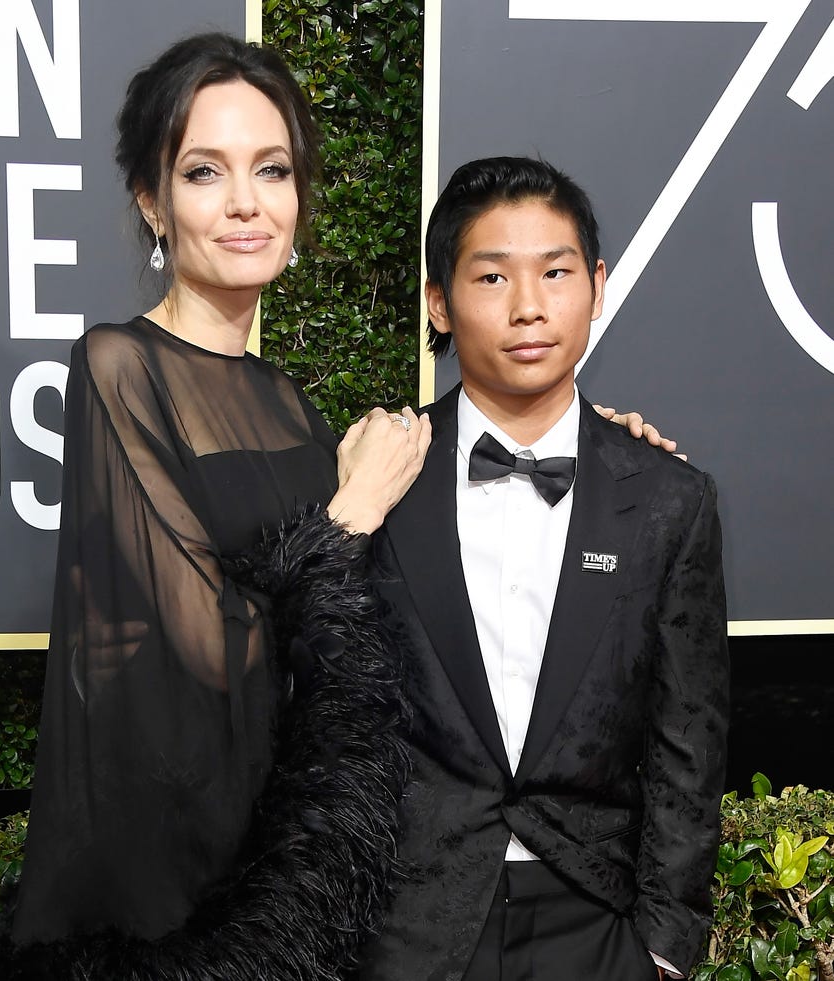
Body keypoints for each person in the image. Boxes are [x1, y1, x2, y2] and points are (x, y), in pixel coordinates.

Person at [0, 32, 432, 981]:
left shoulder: (289, 401)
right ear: (153, 200)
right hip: (175, 898)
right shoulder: (117, 366)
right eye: (205, 172)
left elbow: (332, 646)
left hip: (291, 868)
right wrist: (354, 513)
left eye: (274, 169)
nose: (248, 203)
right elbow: (210, 645)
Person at [359, 157, 729, 981]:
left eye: (556, 272)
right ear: (438, 300)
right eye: (491, 276)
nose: (529, 306)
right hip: (408, 923)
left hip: (596, 917)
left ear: (596, 285)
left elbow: (689, 742)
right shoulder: (375, 476)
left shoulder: (670, 498)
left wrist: (664, 948)